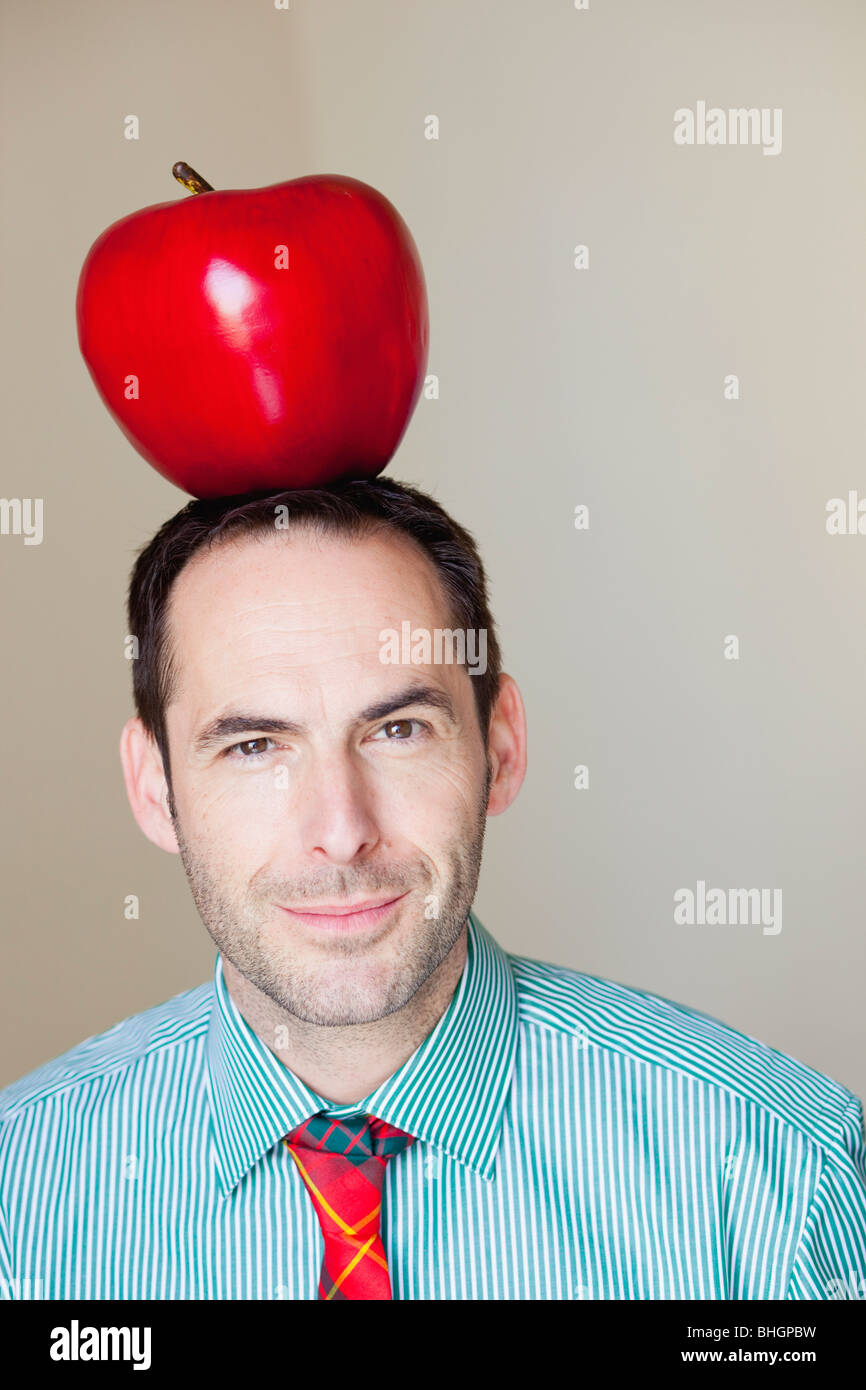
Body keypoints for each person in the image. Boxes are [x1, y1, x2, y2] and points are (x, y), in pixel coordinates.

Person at [1, 476, 864, 1300]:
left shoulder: (782, 1173)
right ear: (155, 790)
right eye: (255, 747)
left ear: (502, 746)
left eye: (399, 729)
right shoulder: (20, 1196)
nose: (340, 830)